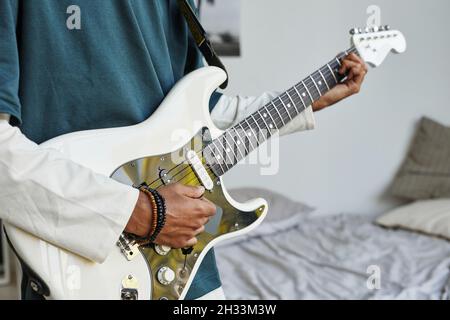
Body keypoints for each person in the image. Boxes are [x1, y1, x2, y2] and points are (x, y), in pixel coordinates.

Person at [0, 0, 367, 300]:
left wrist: (306, 103)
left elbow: (199, 117)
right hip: (86, 267)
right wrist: (142, 212)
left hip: (189, 271)